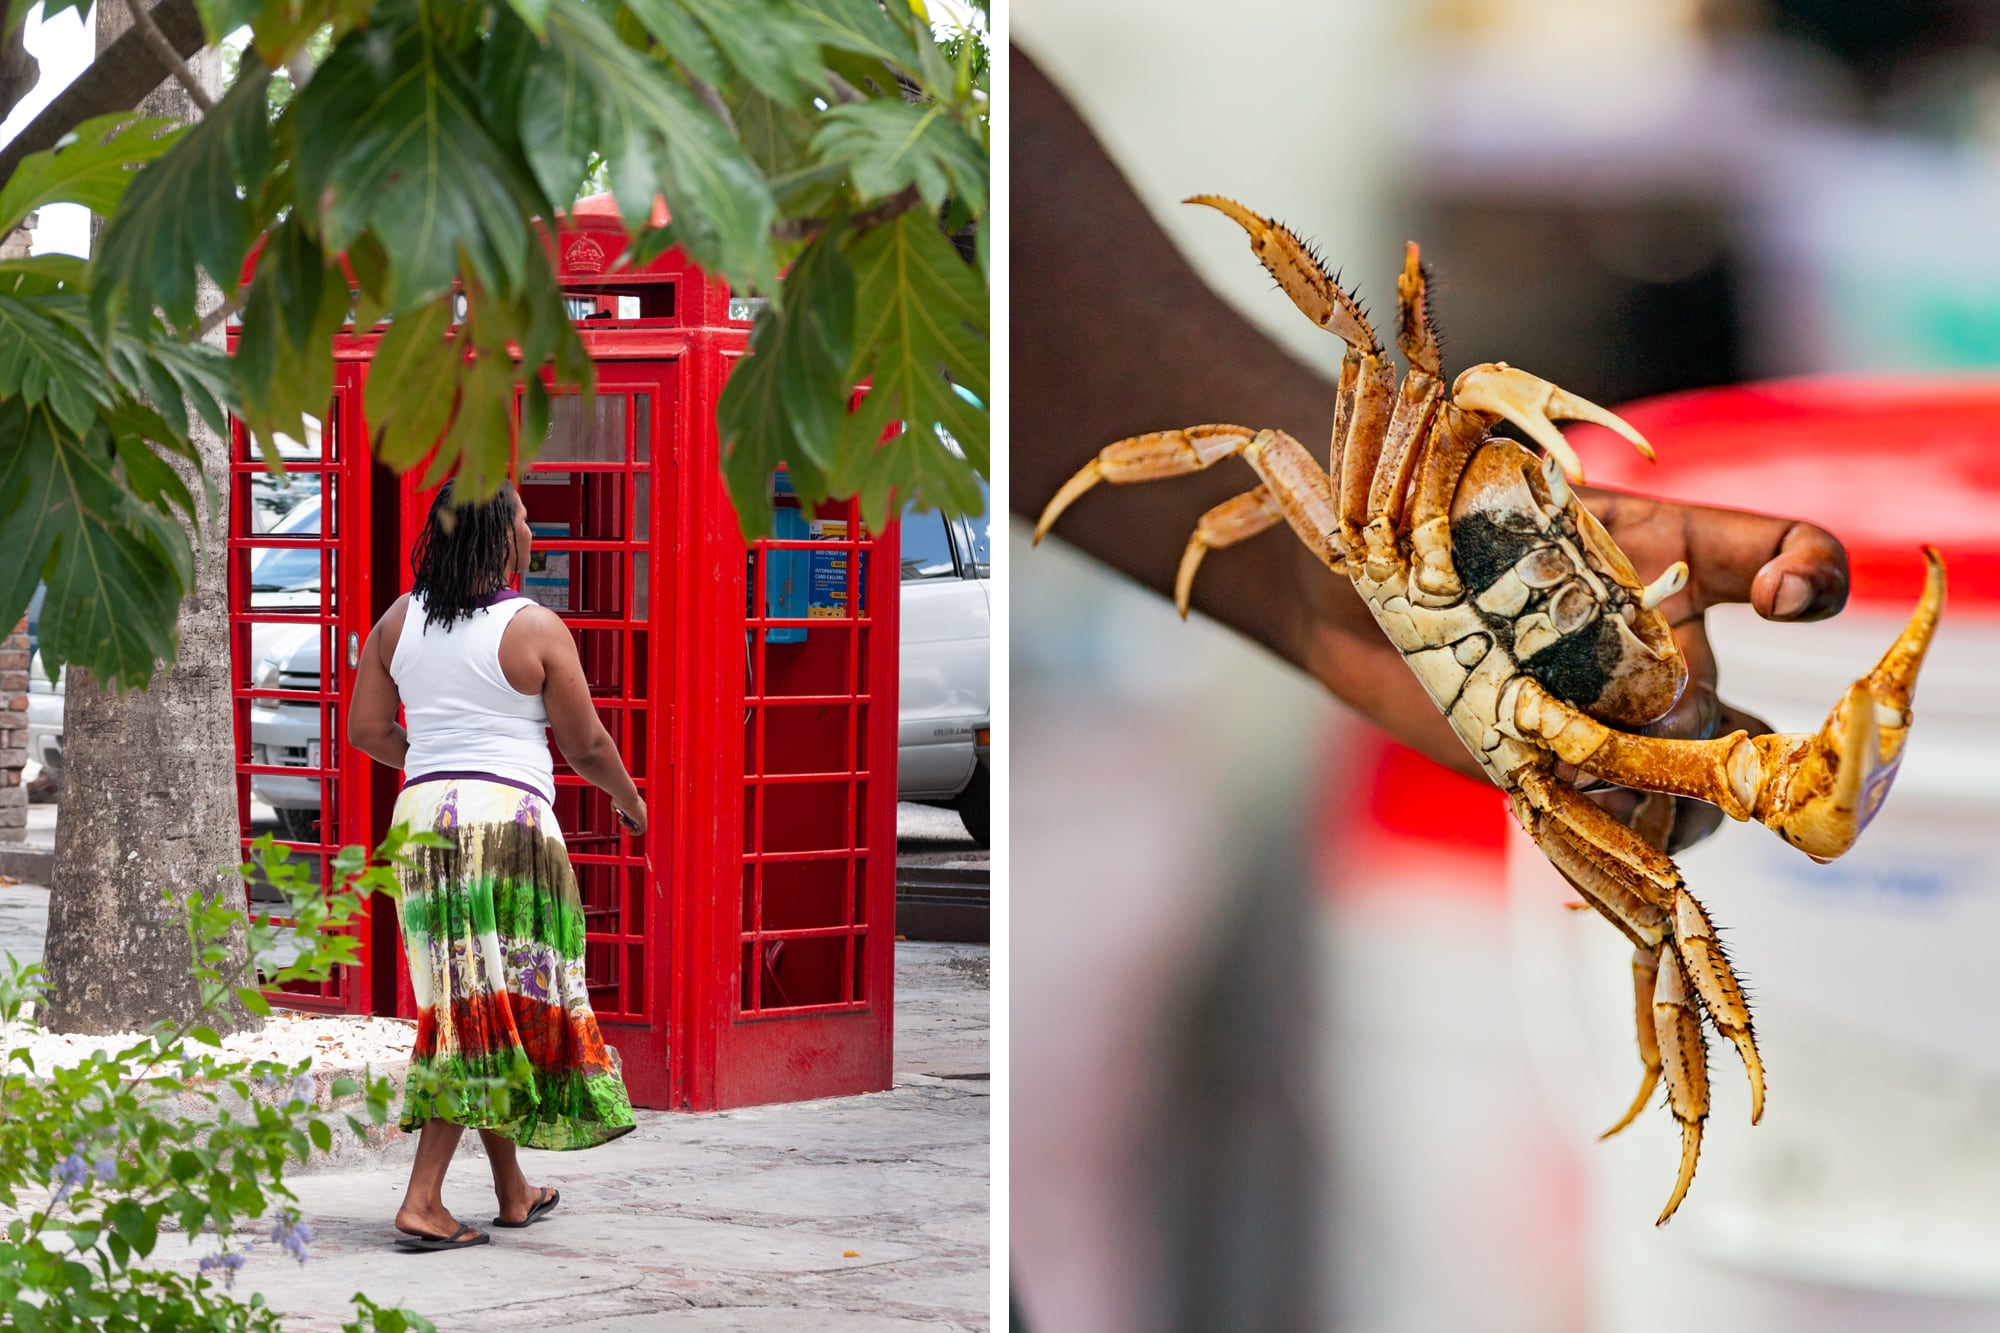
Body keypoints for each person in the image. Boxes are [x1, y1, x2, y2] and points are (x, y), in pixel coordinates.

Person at [1011, 50, 1852, 854]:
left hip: (1483, 713)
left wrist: (1673, 750)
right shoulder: (1378, 523)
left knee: (1666, 913)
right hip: (1172, 703)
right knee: (1339, 402)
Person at [347, 480, 647, 1252]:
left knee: (478, 996)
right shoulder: (534, 626)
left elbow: (368, 729)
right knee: (482, 1005)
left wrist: (434, 766)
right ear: (499, 536)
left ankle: (514, 1189)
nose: (530, 527)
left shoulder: (396, 621)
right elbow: (586, 745)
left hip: (420, 825)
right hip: (509, 831)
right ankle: (421, 1198)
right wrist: (629, 799)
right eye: (522, 518)